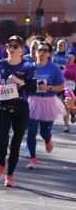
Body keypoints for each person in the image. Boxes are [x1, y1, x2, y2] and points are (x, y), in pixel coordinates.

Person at [0, 36, 37, 188]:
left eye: (15, 46)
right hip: (3, 106)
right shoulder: (0, 64)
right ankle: (1, 163)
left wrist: (21, 83)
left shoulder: (28, 66)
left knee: (15, 144)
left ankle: (10, 175)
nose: (11, 49)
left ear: (22, 50)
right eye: (9, 45)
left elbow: (32, 89)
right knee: (1, 142)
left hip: (21, 108)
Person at [25, 41, 65, 169]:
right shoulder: (29, 67)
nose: (41, 52)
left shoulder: (54, 68)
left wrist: (48, 88)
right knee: (31, 131)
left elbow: (61, 87)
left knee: (44, 132)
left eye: (45, 50)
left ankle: (48, 140)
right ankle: (33, 159)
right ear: (35, 52)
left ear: (49, 54)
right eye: (39, 50)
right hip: (33, 101)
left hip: (48, 102)